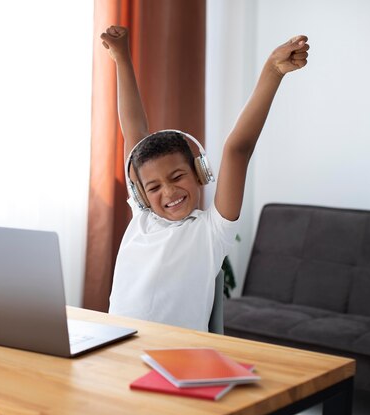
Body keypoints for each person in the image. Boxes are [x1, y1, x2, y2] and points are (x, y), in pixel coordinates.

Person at [101, 25, 309, 330]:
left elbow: (237, 148)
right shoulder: (143, 218)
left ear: (200, 173)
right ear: (142, 194)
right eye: (155, 186)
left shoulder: (213, 232)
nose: (169, 191)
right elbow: (134, 130)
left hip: (175, 360)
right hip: (117, 351)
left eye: (177, 176)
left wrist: (272, 72)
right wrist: (121, 57)